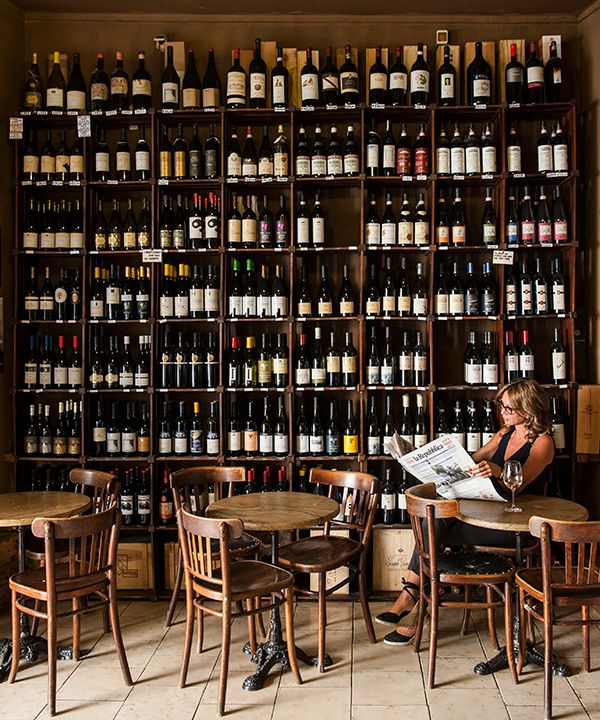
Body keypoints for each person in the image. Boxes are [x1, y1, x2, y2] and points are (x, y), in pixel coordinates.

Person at [378, 378, 555, 646]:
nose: (503, 412)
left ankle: (413, 599)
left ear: (529, 409)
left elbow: (520, 481)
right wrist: (432, 461)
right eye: (501, 406)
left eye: (509, 408)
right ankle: (416, 600)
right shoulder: (504, 433)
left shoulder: (543, 443)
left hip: (514, 526)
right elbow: (470, 461)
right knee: (433, 522)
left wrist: (496, 470)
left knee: (433, 525)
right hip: (484, 515)